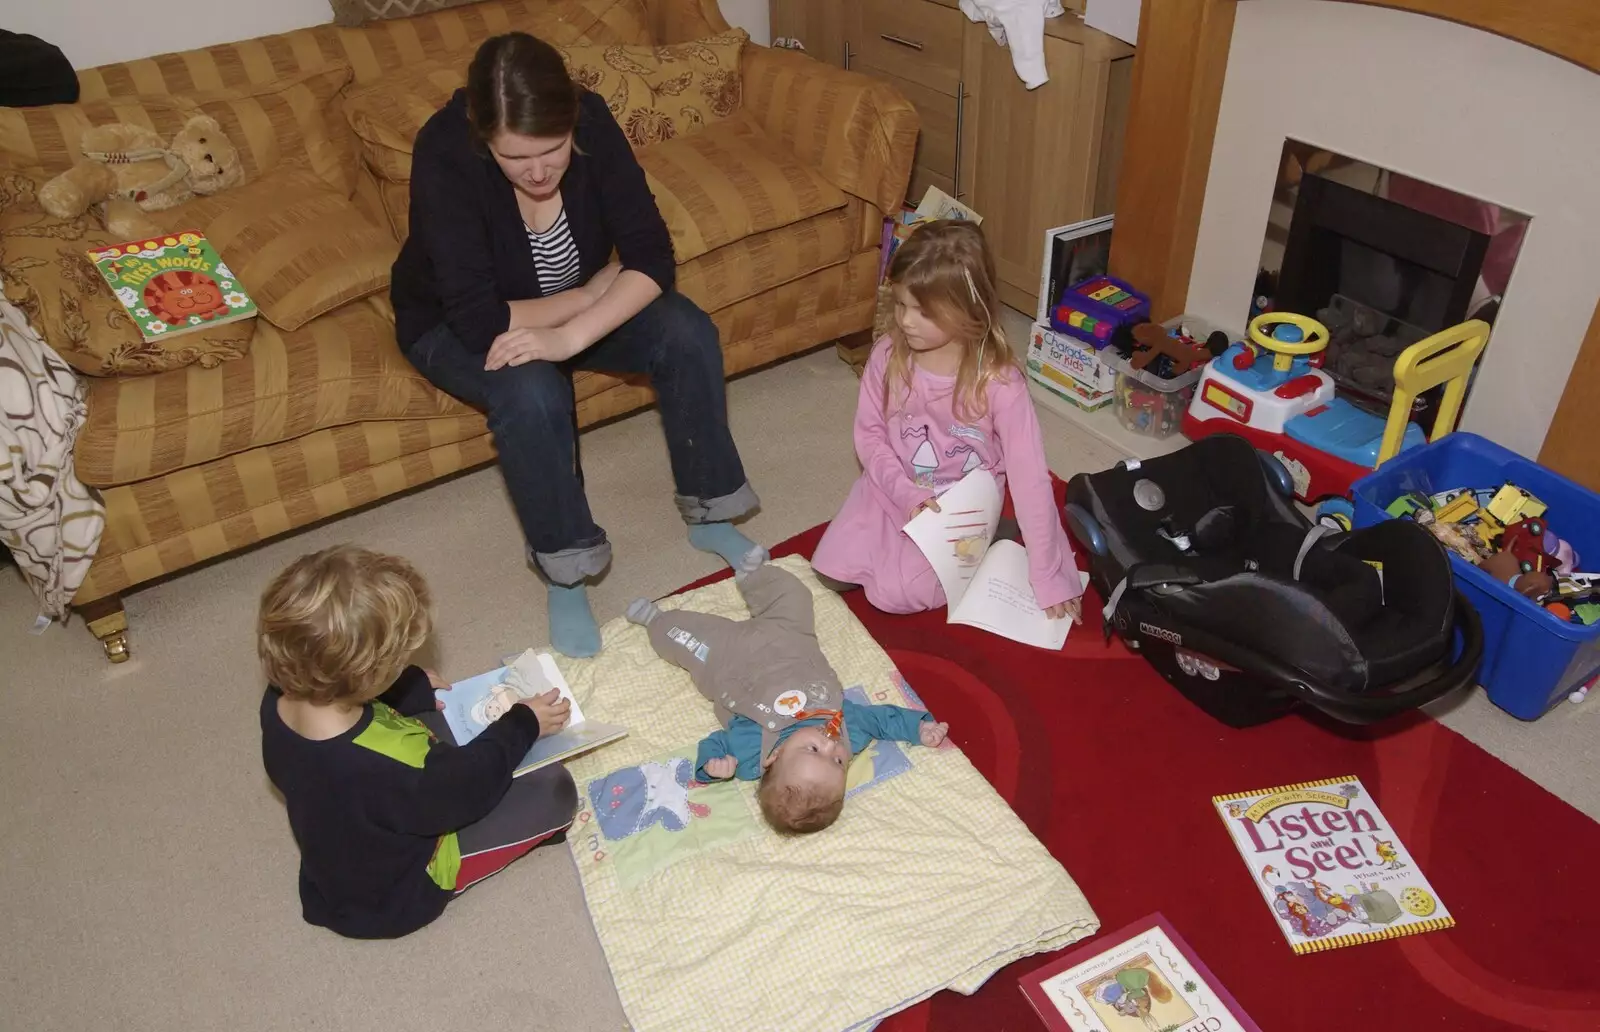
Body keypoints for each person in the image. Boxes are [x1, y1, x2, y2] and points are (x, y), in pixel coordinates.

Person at [390, 32, 761, 658]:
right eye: (514, 158)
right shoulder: (444, 151)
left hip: (564, 309)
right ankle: (567, 570)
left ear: (571, 124)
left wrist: (569, 335)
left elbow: (651, 256)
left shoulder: (592, 120)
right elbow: (479, 319)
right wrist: (587, 299)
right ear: (483, 138)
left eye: (553, 150)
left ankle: (711, 508)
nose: (537, 171)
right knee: (529, 389)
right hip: (452, 323)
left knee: (686, 330)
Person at [258, 545, 577, 939]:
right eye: (396, 665)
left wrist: (407, 689)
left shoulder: (276, 702)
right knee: (555, 790)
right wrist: (523, 722)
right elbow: (468, 787)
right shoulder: (392, 769)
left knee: (439, 716)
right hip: (402, 893)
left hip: (350, 850)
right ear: (367, 678)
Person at [811, 220, 1085, 623]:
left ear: (967, 310)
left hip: (962, 506)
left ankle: (994, 534)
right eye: (901, 304)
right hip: (895, 488)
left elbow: (1030, 480)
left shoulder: (1000, 384)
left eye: (923, 311)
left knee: (895, 595)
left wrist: (1047, 574)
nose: (905, 321)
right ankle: (923, 543)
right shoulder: (888, 355)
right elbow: (869, 436)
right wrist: (904, 493)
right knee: (829, 570)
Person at [625, 549, 949, 835]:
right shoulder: (850, 728)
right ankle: (753, 576)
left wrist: (712, 766)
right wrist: (919, 728)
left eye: (812, 750)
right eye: (838, 760)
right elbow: (883, 720)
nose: (829, 744)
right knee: (796, 595)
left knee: (683, 638)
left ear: (773, 757)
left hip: (725, 658)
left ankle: (656, 620)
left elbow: (717, 743)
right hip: (790, 636)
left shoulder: (750, 752)